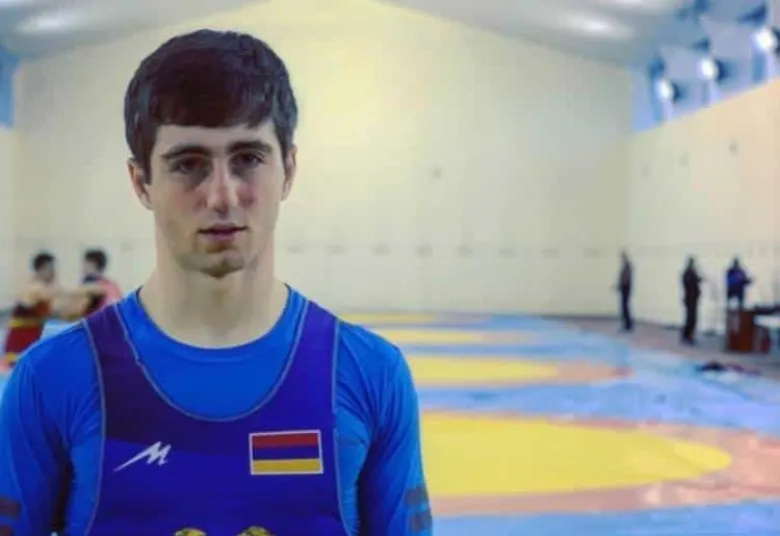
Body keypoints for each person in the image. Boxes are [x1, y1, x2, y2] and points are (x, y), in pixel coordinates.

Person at [0, 29, 430, 536]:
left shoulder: (371, 375)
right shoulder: (52, 379)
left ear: (289, 170)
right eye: (188, 164)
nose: (222, 195)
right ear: (141, 183)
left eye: (248, 159)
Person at [1, 252, 59, 367]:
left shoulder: (43, 288)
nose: (54, 274)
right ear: (42, 269)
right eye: (51, 270)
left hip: (32, 339)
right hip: (20, 341)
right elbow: (52, 296)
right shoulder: (34, 288)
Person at [78, 248, 123, 316]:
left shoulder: (94, 285)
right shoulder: (112, 284)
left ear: (93, 264)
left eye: (86, 263)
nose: (83, 267)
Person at [681, 256, 703, 345]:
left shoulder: (691, 273)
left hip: (693, 299)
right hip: (690, 299)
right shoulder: (688, 273)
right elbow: (689, 284)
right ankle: (687, 336)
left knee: (692, 319)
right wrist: (697, 279)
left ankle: (689, 336)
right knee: (690, 319)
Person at [615, 250, 633, 332]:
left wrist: (620, 286)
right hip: (624, 289)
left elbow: (625, 279)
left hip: (626, 289)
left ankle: (628, 325)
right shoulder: (625, 266)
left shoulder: (627, 266)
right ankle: (626, 324)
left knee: (625, 307)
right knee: (624, 307)